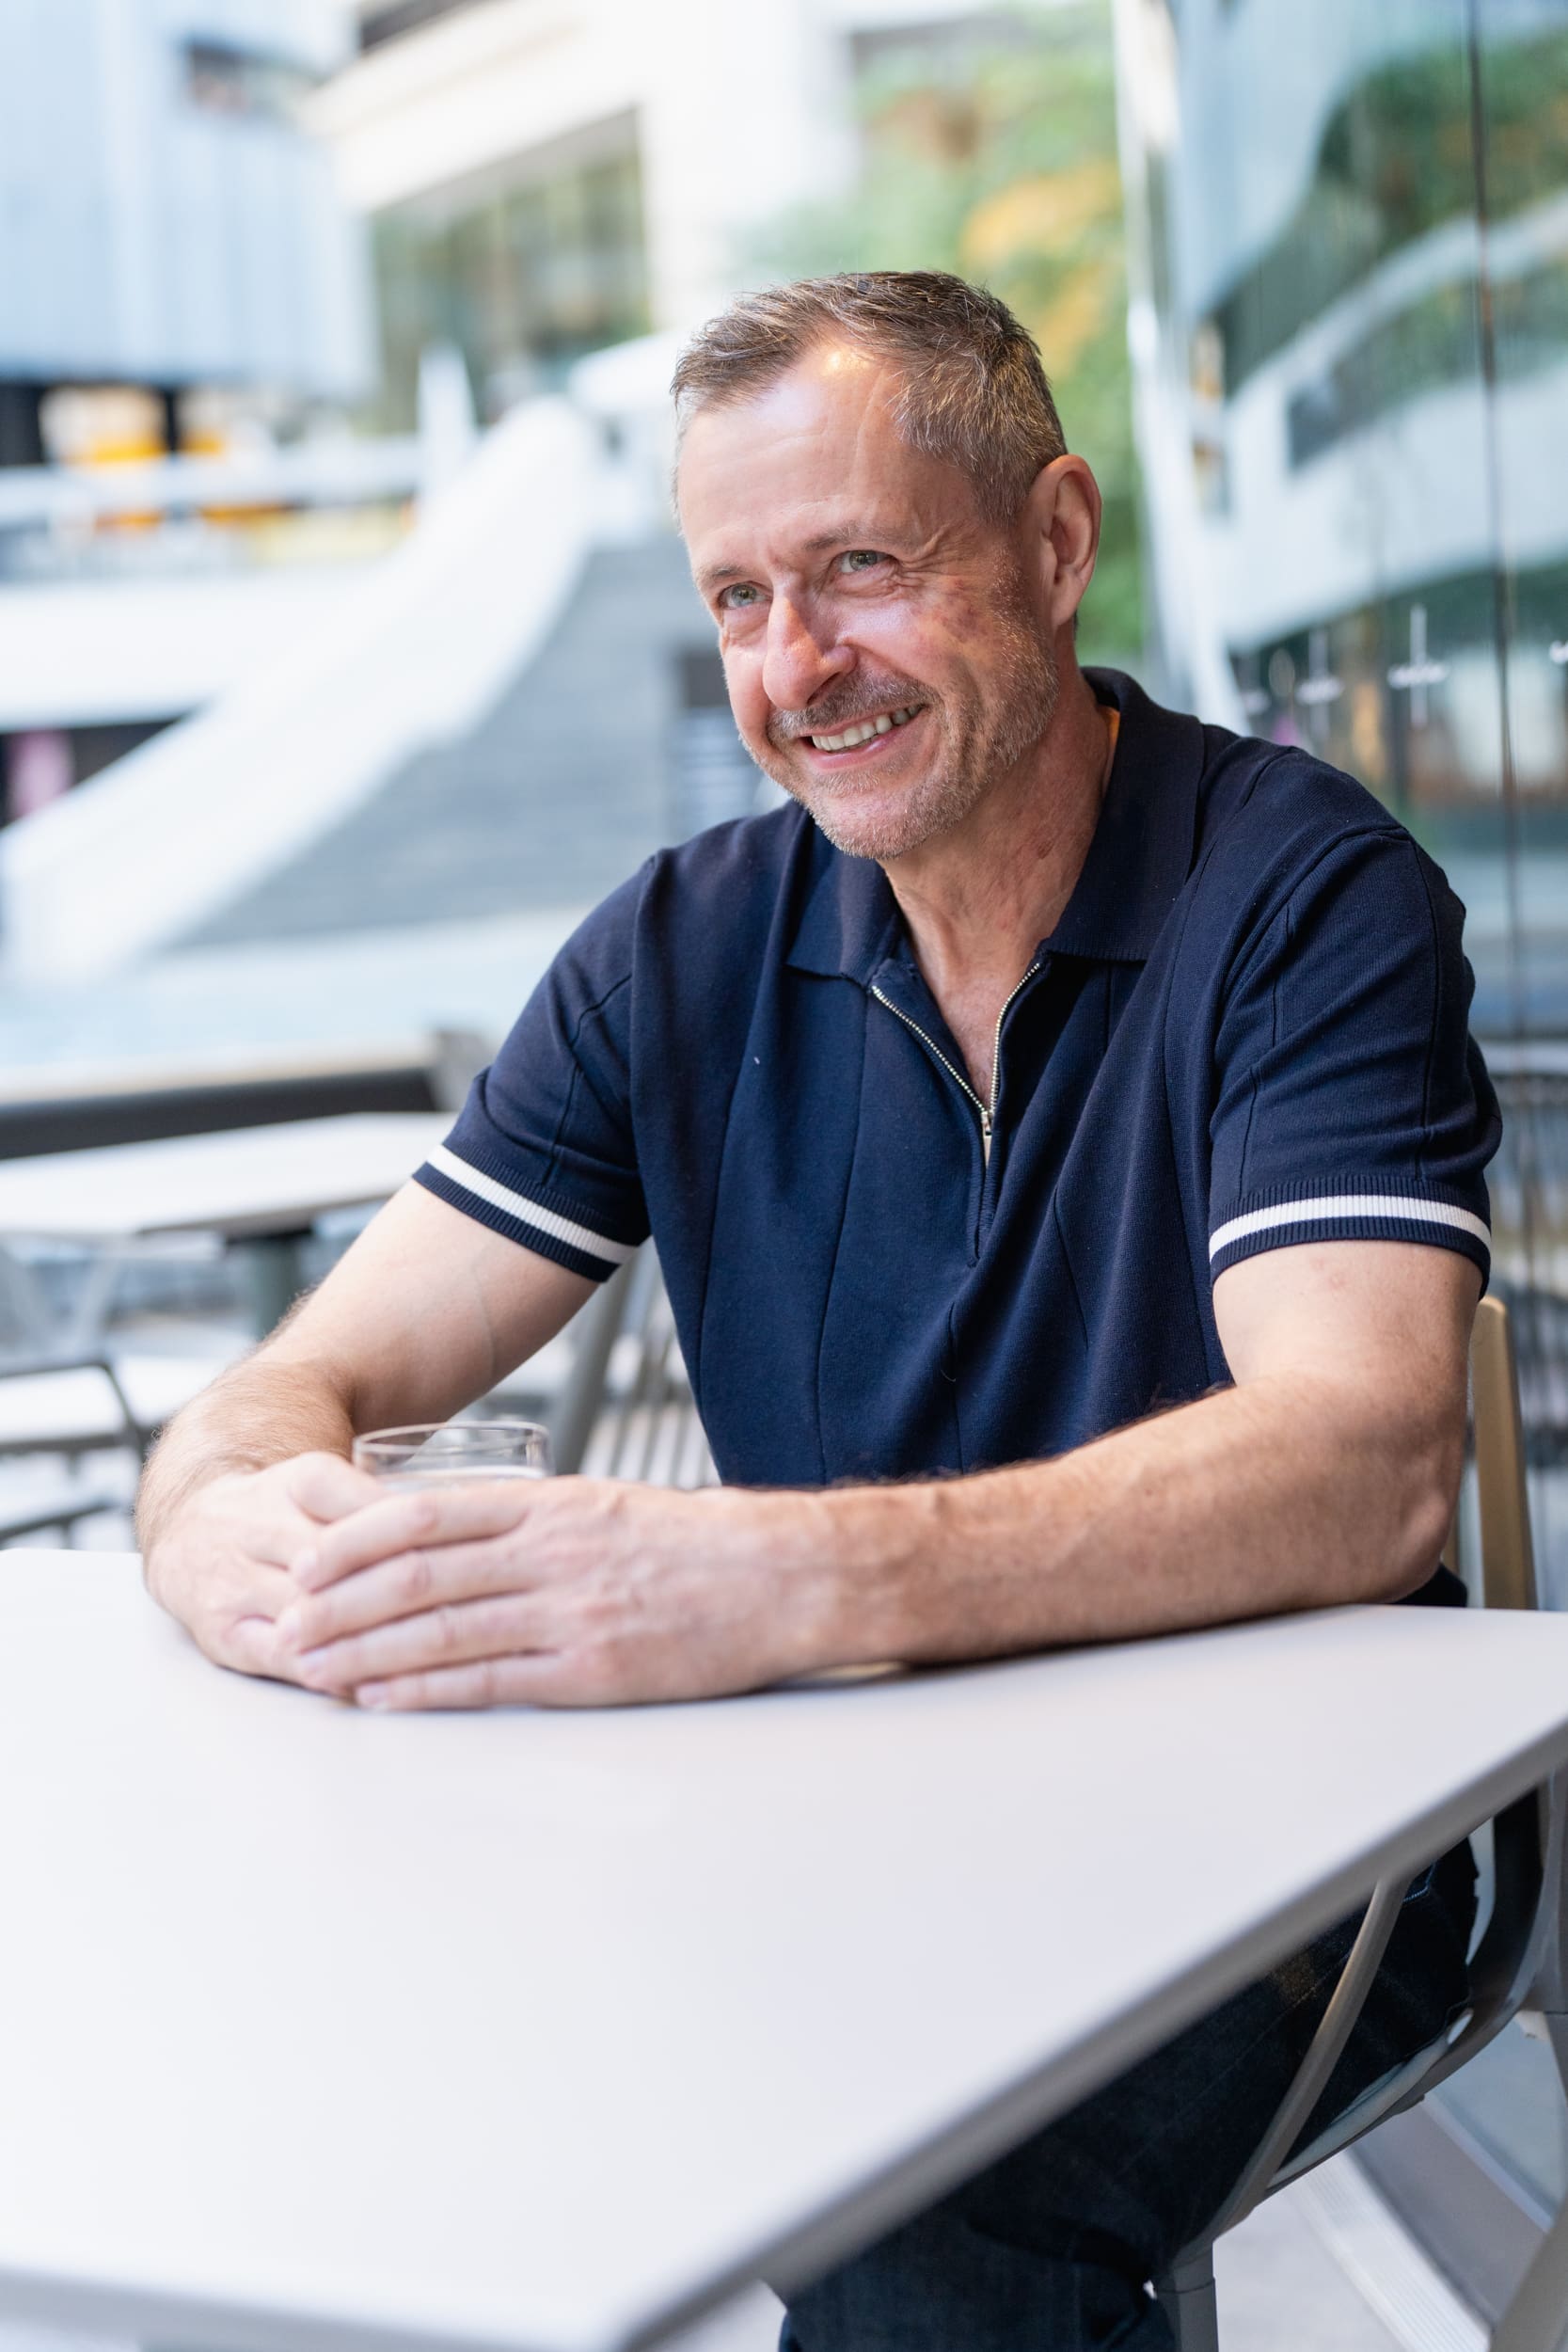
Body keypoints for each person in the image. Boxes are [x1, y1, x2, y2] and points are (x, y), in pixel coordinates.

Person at [139, 272, 1495, 2349]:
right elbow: (305, 1377)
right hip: (831, 1840)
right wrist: (236, 1528)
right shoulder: (677, 943)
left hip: (1290, 1863)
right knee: (310, 2062)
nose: (799, 666)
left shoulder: (1300, 895)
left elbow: (1367, 1460)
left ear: (1054, 541)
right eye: (741, 597)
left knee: (899, 2196)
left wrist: (760, 1582)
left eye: (863, 569)